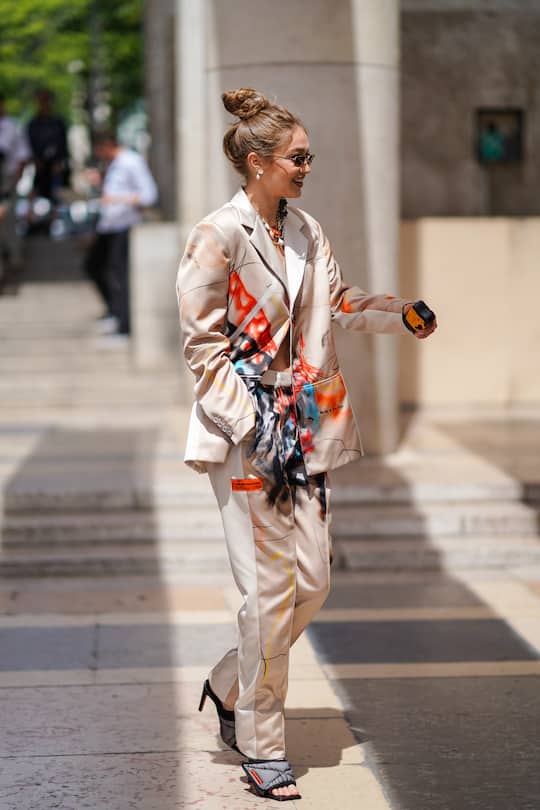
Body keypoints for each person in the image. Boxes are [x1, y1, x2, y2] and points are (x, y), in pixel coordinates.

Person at [176, 88, 437, 802]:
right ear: (258, 163)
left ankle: (229, 685)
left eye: (308, 156)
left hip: (305, 428)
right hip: (247, 433)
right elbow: (201, 348)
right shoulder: (217, 236)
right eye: (298, 157)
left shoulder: (307, 231)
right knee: (268, 595)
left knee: (312, 582)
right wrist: (251, 420)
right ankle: (263, 745)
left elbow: (338, 299)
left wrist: (398, 312)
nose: (307, 166)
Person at [84, 131, 157, 342]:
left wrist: (117, 199)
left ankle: (124, 325)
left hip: (124, 226)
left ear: (107, 145)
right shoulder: (114, 164)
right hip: (109, 225)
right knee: (96, 266)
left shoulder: (131, 162)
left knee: (119, 276)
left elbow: (148, 195)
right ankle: (115, 313)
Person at [0, 93, 30, 282]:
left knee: (8, 221)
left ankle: (14, 256)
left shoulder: (11, 126)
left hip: (6, 181)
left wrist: (15, 180)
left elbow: (21, 155)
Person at [27, 88, 69, 202]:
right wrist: (35, 160)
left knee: (57, 195)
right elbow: (30, 144)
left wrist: (59, 161)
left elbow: (63, 144)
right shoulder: (33, 124)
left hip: (55, 167)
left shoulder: (58, 122)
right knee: (37, 194)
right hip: (40, 167)